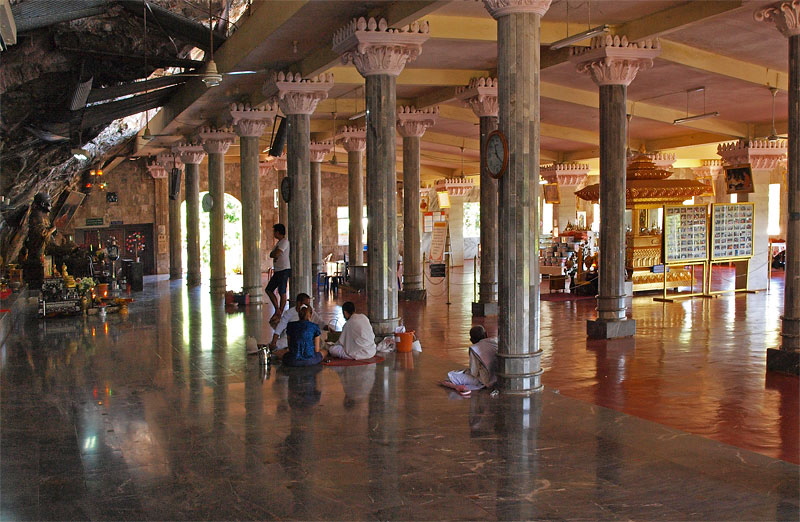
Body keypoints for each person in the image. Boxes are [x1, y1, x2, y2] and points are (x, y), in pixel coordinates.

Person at [440, 325, 498, 396]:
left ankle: (457, 387)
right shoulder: (495, 341)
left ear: (471, 339)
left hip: (485, 381)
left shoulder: (474, 348)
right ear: (486, 334)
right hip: (497, 378)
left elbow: (474, 372)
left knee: (450, 375)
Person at [266, 223, 290, 324]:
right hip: (278, 270)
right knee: (269, 289)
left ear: (278, 232)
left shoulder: (284, 242)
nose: (273, 233)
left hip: (284, 270)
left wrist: (274, 254)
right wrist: (274, 254)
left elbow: (276, 253)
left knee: (282, 292)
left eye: (274, 231)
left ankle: (279, 313)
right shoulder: (279, 243)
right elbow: (272, 254)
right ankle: (277, 309)